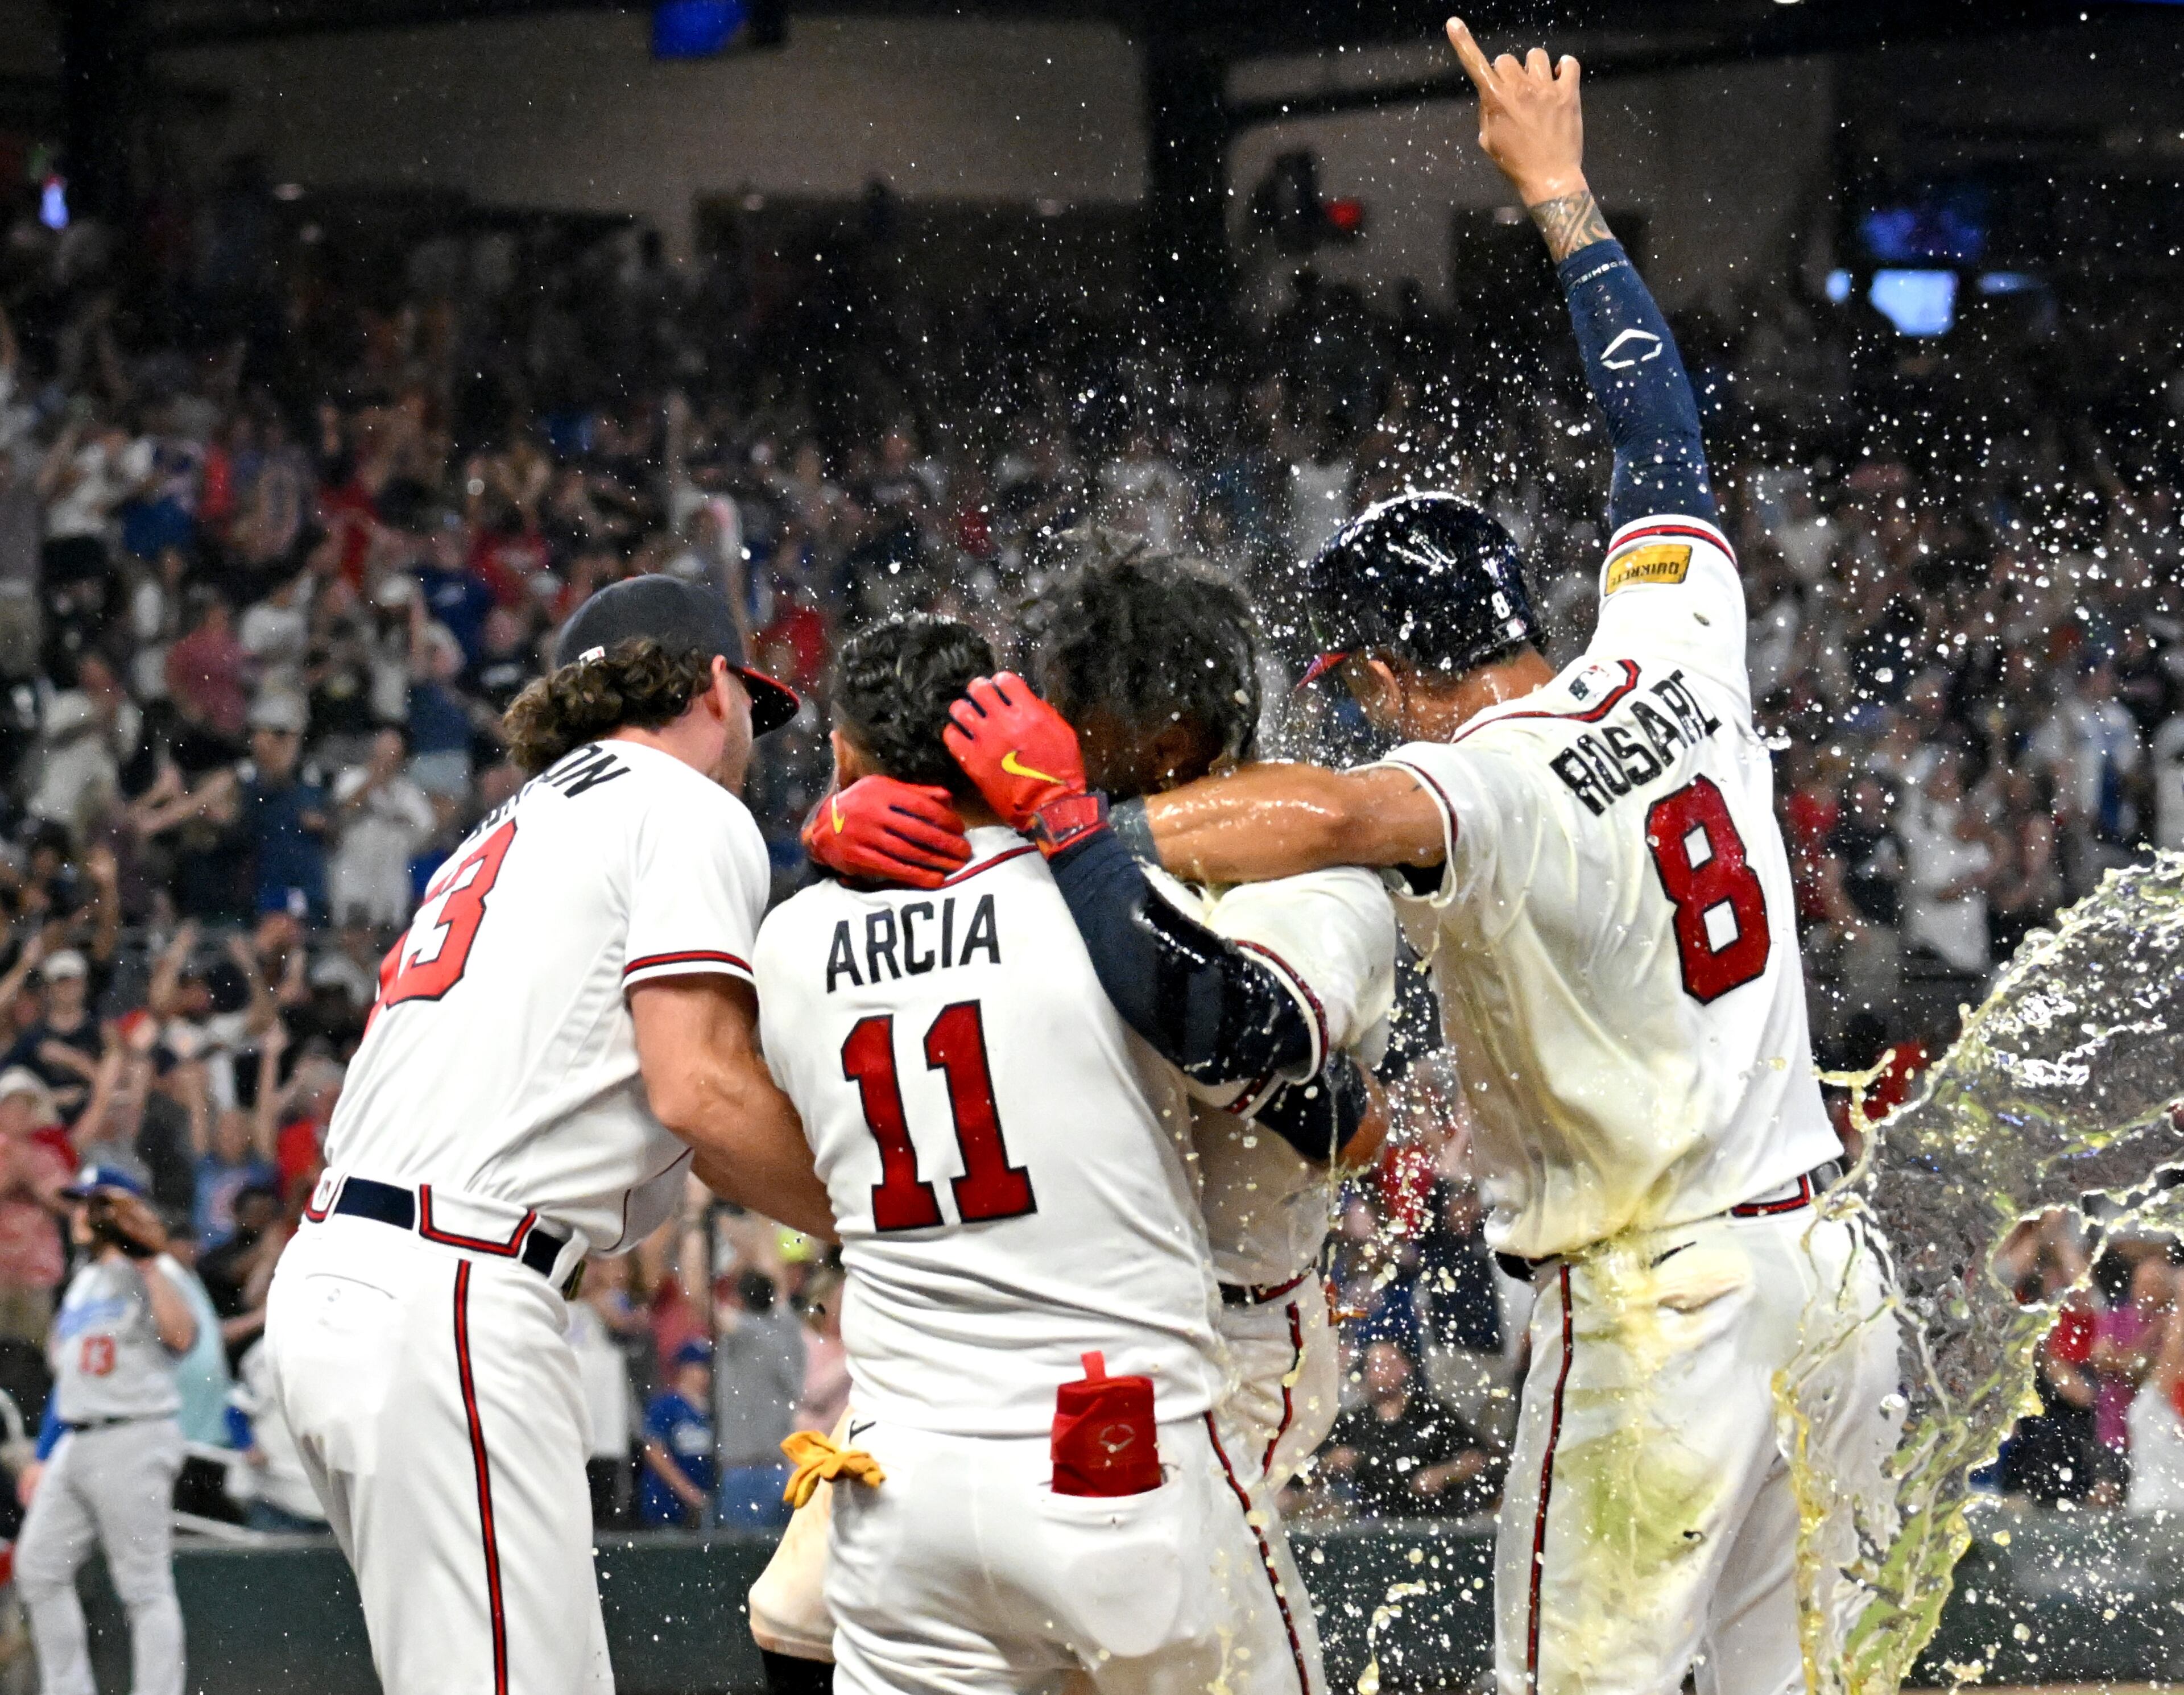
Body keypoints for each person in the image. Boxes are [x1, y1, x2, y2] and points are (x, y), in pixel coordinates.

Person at [1087, 27, 1900, 1695]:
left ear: (1390, 670)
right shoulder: (1677, 635)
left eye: (1358, 682)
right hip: (1822, 1274)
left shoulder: (1488, 778)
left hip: (1652, 1314)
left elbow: (1317, 816)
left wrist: (1081, 839)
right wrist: (1559, 197)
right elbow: (1656, 432)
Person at [751, 613, 1354, 1695]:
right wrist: (1072, 827)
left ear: (845, 761)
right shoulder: (1107, 905)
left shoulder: (785, 946)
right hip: (1115, 1452)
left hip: (903, 1479)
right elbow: (1319, 1103)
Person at [262, 574, 833, 1695]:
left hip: (354, 1279)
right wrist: (899, 1220)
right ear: (716, 684)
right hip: (453, 1289)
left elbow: (690, 1109)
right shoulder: (684, 804)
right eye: (749, 710)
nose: (748, 743)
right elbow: (700, 1088)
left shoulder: (515, 820)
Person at [14, 1165, 195, 1695]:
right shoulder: (83, 1282)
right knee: (39, 1567)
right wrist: (46, 1454)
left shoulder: (155, 1271)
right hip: (80, 1438)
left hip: (134, 1435)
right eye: (78, 1202)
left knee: (144, 1588)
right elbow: (68, 1378)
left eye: (94, 1202)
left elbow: (182, 1338)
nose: (79, 1213)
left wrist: (151, 1267)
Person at [1321, 1341, 1500, 1520]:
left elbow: (1479, 1457)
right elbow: (1310, 1470)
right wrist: (1330, 1463)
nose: (1381, 1372)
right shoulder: (1354, 1422)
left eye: (1388, 1364)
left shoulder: (1431, 1414)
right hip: (1371, 1521)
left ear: (1406, 1368)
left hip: (1431, 1519)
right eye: (1374, 1366)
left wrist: (1446, 1473)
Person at [639, 1339, 717, 1528]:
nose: (704, 1374)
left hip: (705, 1506)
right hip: (667, 1502)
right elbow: (654, 1451)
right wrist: (689, 1493)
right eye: (698, 1367)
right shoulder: (667, 1406)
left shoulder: (714, 1409)